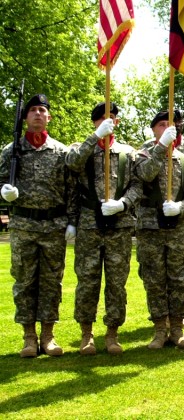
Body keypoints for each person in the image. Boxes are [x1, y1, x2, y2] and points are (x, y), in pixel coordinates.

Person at [0, 94, 77, 357]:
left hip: (53, 227)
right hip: (23, 226)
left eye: (42, 110)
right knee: (24, 282)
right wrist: (4, 192)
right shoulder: (11, 151)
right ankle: (29, 338)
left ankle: (48, 336)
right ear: (25, 117)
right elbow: (0, 181)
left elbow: (71, 190)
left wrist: (72, 222)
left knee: (51, 283)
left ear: (49, 117)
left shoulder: (61, 152)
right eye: (33, 110)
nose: (37, 114)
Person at [66, 102, 142, 355]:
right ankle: (86, 333)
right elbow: (73, 165)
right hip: (89, 223)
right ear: (95, 122)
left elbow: (137, 186)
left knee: (116, 283)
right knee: (87, 281)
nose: (107, 123)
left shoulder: (127, 153)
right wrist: (95, 138)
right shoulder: (81, 149)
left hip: (118, 226)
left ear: (117, 122)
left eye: (111, 119)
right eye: (101, 119)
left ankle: (112, 333)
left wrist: (123, 203)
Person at [134, 122, 184, 349]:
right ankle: (159, 330)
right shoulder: (142, 156)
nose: (166, 128)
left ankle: (177, 328)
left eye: (170, 125)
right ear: (153, 130)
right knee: (154, 279)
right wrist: (161, 147)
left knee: (180, 278)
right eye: (161, 125)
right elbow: (145, 175)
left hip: (179, 228)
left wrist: (182, 206)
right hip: (150, 226)